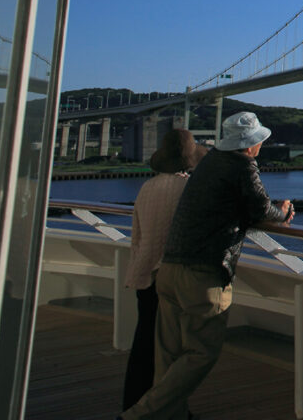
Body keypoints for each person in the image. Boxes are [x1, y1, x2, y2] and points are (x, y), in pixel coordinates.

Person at [120, 112, 294, 420]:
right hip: (202, 275)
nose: (260, 147)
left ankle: (167, 416)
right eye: (259, 142)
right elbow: (259, 206)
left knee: (168, 356)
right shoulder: (242, 165)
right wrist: (281, 211)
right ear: (251, 145)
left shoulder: (210, 163)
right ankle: (138, 416)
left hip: (168, 270)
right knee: (201, 353)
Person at [121, 129, 204, 411]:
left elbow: (138, 235)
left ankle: (132, 404)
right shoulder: (188, 188)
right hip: (171, 276)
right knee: (172, 351)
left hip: (144, 272)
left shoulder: (147, 188)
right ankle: (162, 410)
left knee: (144, 344)